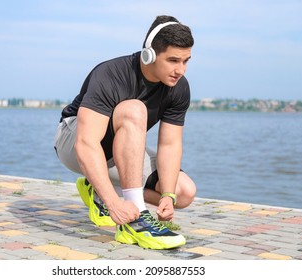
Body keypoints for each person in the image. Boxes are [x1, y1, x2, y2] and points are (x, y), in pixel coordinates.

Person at [54, 15, 196, 250]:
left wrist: (167, 196)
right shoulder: (111, 74)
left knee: (184, 192)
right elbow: (86, 144)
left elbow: (169, 145)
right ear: (149, 53)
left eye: (186, 61)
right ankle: (136, 219)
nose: (180, 70)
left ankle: (97, 187)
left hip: (116, 150)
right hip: (72, 142)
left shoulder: (179, 88)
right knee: (134, 109)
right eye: (173, 60)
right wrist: (112, 203)